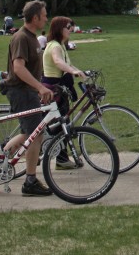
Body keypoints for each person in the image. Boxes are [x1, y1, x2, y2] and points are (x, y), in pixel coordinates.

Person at [1, 0, 54, 196]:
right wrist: (39, 87)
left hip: (28, 91)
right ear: (35, 18)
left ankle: (1, 161)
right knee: (35, 134)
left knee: (32, 133)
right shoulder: (21, 38)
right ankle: (30, 181)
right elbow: (18, 68)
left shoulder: (32, 37)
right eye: (44, 15)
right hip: (21, 91)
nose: (46, 18)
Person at [40, 15, 87, 168]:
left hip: (59, 87)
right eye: (68, 27)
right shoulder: (54, 46)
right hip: (52, 88)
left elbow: (68, 63)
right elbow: (58, 62)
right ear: (59, 29)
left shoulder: (60, 44)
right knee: (59, 124)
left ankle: (61, 157)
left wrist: (80, 71)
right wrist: (72, 72)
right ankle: (60, 158)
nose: (71, 29)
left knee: (62, 123)